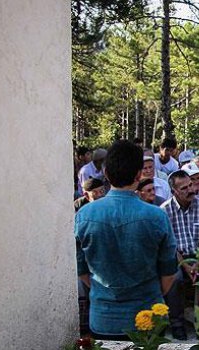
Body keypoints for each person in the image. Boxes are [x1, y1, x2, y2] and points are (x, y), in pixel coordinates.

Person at [75, 140, 177, 339]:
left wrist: (106, 292)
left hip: (104, 317)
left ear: (105, 174)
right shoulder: (157, 216)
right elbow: (169, 273)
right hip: (148, 316)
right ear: (139, 174)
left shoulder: (85, 215)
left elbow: (82, 271)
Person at [161, 170, 199, 340]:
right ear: (174, 192)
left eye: (191, 185)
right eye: (184, 188)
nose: (190, 190)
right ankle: (177, 323)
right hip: (176, 257)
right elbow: (169, 244)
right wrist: (185, 266)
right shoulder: (164, 211)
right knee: (175, 279)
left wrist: (198, 263)